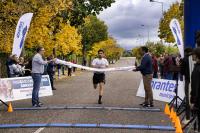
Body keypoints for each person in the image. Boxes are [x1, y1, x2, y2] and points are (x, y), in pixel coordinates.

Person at [180, 48, 193, 123]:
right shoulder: (195, 58)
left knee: (188, 98)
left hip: (188, 80)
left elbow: (181, 72)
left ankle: (188, 118)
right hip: (194, 79)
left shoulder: (185, 59)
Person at [190, 47, 200, 132]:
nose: (191, 56)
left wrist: (193, 101)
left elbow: (195, 87)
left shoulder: (197, 69)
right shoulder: (196, 66)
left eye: (192, 54)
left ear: (196, 56)